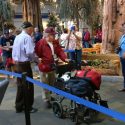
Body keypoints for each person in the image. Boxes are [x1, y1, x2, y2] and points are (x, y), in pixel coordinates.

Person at [35, 27, 69, 108]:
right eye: (52, 35)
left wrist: (65, 58)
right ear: (47, 35)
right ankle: (46, 99)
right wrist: (41, 63)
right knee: (45, 84)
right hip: (44, 67)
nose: (54, 37)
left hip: (52, 66)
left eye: (54, 35)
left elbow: (60, 51)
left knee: (51, 83)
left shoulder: (55, 42)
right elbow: (37, 54)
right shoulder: (40, 43)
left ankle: (49, 96)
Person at [12, 21, 38, 113]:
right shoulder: (27, 37)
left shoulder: (17, 37)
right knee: (28, 86)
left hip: (17, 64)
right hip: (25, 65)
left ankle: (19, 106)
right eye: (32, 29)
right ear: (29, 29)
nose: (32, 31)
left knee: (20, 85)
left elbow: (14, 51)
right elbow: (30, 52)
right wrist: (36, 60)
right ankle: (28, 107)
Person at [118, 22, 125, 92]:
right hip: (121, 56)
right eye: (123, 27)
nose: (124, 28)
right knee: (124, 72)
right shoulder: (123, 36)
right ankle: (124, 86)